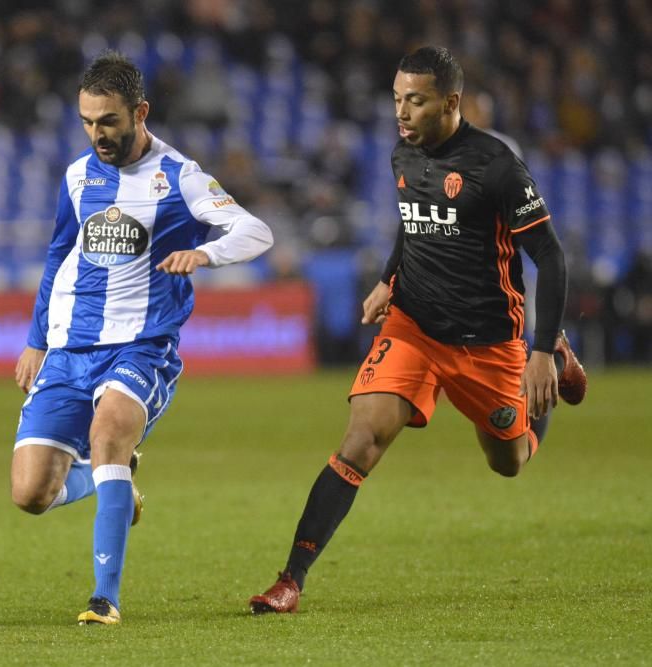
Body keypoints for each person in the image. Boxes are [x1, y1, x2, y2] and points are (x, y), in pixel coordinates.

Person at [249, 46, 587, 614]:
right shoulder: (403, 157)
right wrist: (388, 279)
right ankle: (291, 580)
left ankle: (551, 370)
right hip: (414, 328)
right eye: (397, 99)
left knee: (508, 462)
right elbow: (413, 226)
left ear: (450, 103)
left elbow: (550, 258)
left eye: (416, 101)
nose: (401, 112)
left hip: (488, 344)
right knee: (359, 443)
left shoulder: (497, 166)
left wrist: (537, 349)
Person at [12, 51, 273, 625]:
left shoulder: (179, 176)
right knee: (31, 493)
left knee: (108, 436)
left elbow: (256, 231)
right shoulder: (78, 175)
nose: (96, 133)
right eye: (86, 120)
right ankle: (118, 485)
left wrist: (204, 253)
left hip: (142, 347)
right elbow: (60, 254)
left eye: (107, 121)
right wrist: (36, 339)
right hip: (70, 346)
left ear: (140, 112)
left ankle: (104, 599)